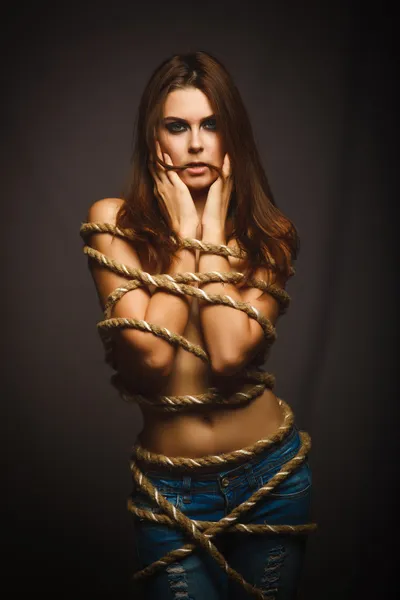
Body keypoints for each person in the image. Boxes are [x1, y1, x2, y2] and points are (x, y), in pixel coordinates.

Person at [80, 50, 314, 600]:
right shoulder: (112, 223)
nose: (195, 143)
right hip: (170, 492)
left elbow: (230, 354)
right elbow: (154, 357)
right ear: (153, 138)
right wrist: (188, 234)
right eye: (177, 126)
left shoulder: (268, 236)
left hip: (271, 480)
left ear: (232, 133)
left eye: (211, 125)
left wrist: (207, 230)